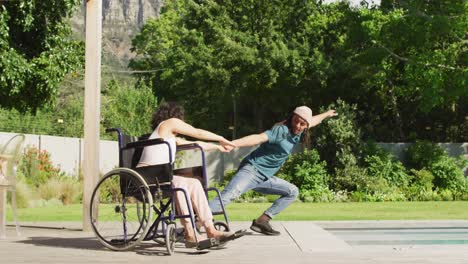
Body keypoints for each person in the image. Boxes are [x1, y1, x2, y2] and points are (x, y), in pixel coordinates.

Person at [209, 106, 337, 235]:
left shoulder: (299, 131)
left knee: (292, 191)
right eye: (295, 121)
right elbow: (258, 138)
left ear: (306, 125)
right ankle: (198, 218)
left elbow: (313, 120)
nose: (297, 126)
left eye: (302, 124)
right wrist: (233, 144)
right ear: (291, 118)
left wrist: (326, 114)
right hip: (251, 170)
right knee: (230, 194)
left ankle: (262, 222)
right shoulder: (281, 130)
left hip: (264, 178)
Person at [137, 102, 239, 247]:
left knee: (194, 183)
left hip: (161, 176)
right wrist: (221, 138)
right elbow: (197, 132)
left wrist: (218, 147)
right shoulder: (169, 123)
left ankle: (210, 229)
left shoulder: (169, 136)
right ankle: (189, 233)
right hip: (148, 176)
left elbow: (197, 142)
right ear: (176, 117)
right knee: (180, 184)